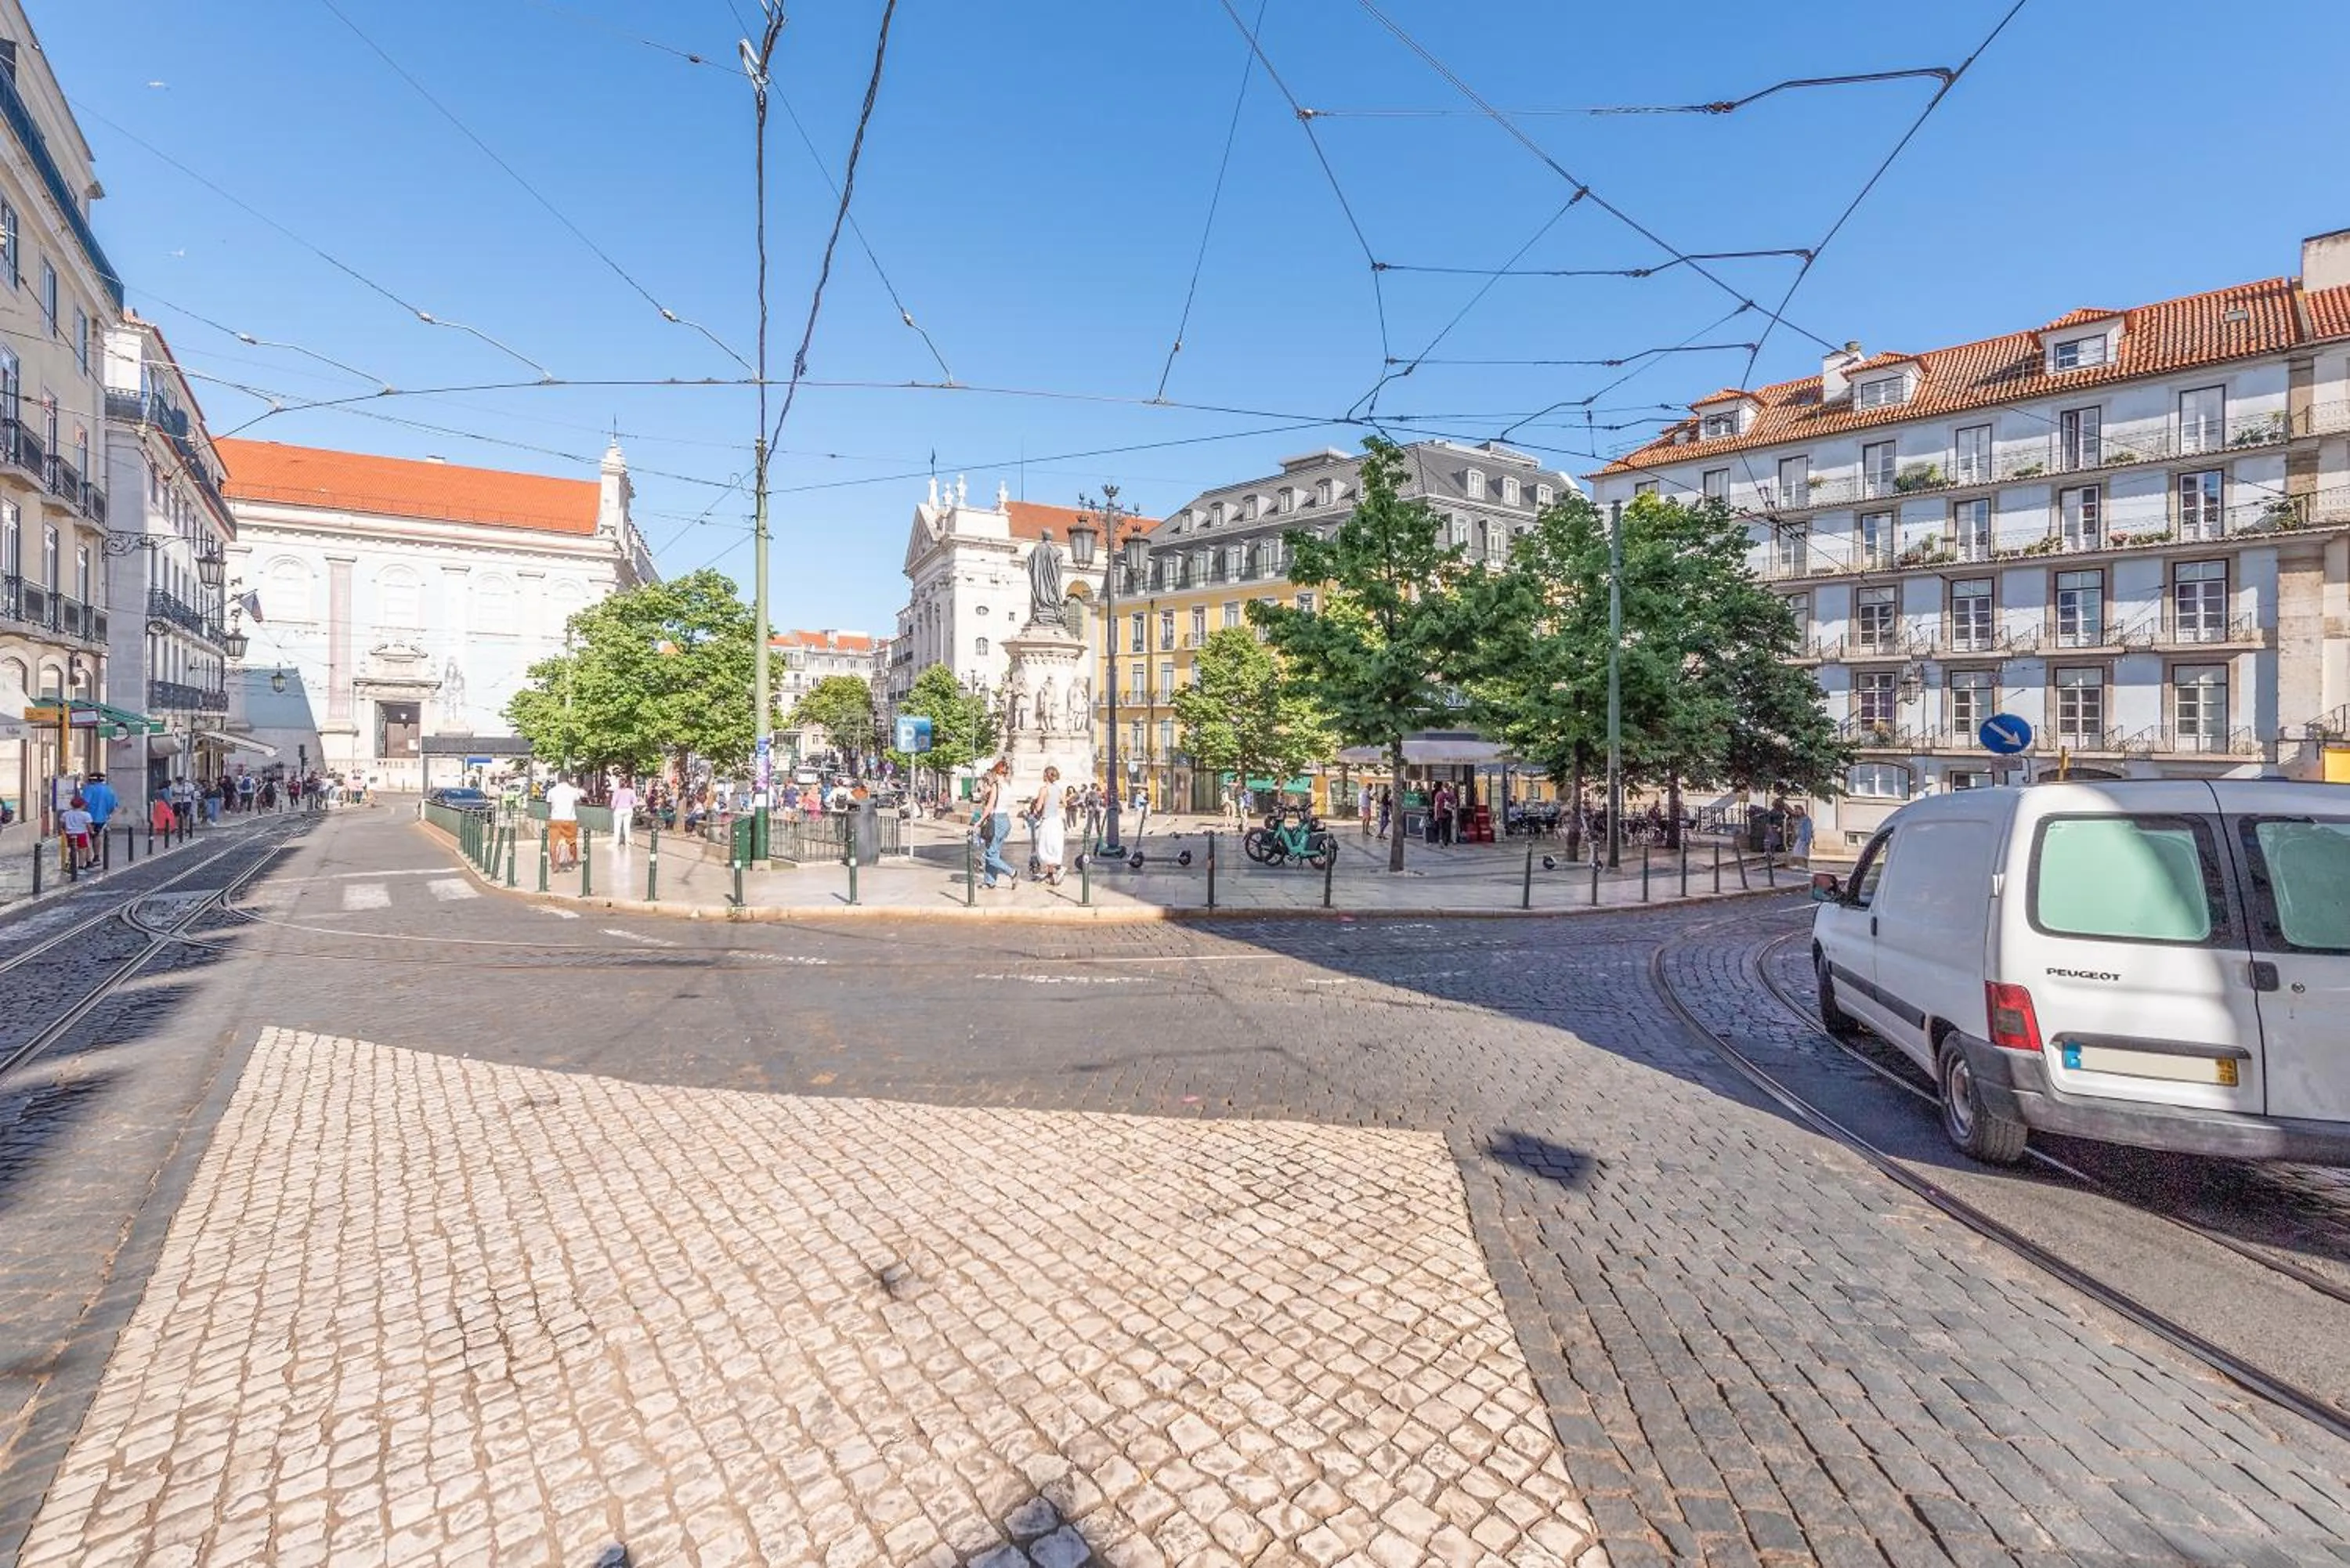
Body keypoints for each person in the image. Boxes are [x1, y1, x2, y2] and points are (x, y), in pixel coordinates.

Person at [972, 759, 1016, 891]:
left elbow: (990, 806)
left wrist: (979, 821)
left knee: (990, 855)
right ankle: (990, 881)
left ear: (996, 772)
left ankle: (1012, 872)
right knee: (994, 853)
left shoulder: (997, 786)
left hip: (996, 820)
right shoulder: (1007, 786)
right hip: (1005, 820)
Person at [1029, 766, 1068, 887]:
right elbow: (1065, 804)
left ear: (1046, 775)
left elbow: (1039, 807)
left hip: (1048, 821)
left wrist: (1034, 809)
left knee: (1045, 848)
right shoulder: (1058, 789)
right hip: (1057, 821)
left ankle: (1059, 868)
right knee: (1053, 847)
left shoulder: (1044, 789)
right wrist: (1054, 807)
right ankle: (1050, 875)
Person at [544, 773, 584, 869]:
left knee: (554, 843)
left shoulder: (552, 791)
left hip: (555, 819)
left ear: (558, 779)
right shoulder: (573, 791)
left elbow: (548, 804)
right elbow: (579, 802)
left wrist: (550, 814)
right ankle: (574, 861)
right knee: (572, 842)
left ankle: (555, 864)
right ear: (568, 779)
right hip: (570, 819)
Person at [60, 792, 94, 870]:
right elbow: (89, 825)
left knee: (72, 849)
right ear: (82, 805)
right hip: (81, 834)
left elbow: (62, 824)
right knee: (82, 850)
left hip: (69, 834)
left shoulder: (65, 814)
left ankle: (72, 864)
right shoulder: (86, 815)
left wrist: (64, 830)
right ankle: (81, 866)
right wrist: (92, 832)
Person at [81, 772, 118, 840]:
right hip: (103, 818)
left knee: (87, 838)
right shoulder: (109, 789)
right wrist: (108, 815)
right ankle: (97, 850)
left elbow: (84, 803)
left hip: (89, 817)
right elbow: (114, 806)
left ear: (92, 780)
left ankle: (87, 850)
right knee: (97, 836)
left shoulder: (90, 788)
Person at [610, 777, 638, 847]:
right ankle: (627, 842)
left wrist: (613, 807)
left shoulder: (617, 791)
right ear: (626, 784)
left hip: (619, 810)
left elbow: (613, 802)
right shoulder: (631, 791)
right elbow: (635, 802)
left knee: (617, 826)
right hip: (628, 810)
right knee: (627, 826)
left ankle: (616, 842)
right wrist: (631, 806)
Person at [1788, 804, 1814, 868]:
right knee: (1796, 852)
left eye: (1797, 810)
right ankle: (1798, 865)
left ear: (1801, 810)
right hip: (1799, 838)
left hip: (1803, 838)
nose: (1796, 811)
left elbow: (1808, 830)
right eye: (1795, 810)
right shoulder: (1798, 819)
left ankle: (1802, 866)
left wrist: (1808, 840)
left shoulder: (1806, 819)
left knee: (1801, 852)